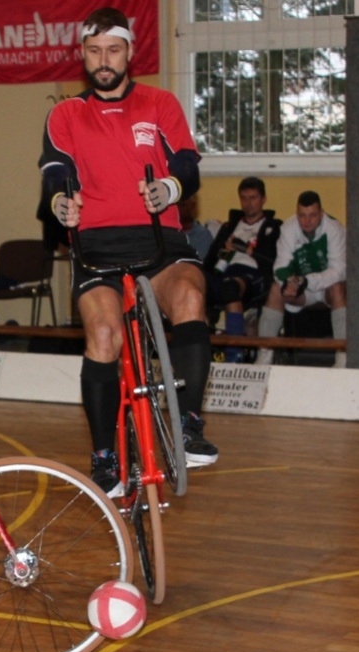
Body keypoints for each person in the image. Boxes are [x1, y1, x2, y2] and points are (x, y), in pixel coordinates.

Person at [39, 6, 218, 496]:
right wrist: (60, 204)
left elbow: (187, 166)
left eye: (112, 50)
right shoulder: (66, 114)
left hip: (160, 241)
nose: (103, 60)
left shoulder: (160, 104)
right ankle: (103, 455)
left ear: (129, 52)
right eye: (94, 51)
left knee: (191, 299)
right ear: (83, 55)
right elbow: (54, 175)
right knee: (102, 333)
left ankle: (189, 423)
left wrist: (169, 188)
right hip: (96, 245)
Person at [255, 191, 347, 368]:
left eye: (312, 215)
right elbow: (280, 266)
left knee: (337, 287)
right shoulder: (288, 228)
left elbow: (339, 271)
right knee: (276, 289)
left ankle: (342, 355)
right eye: (302, 216)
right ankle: (264, 354)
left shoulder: (335, 228)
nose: (307, 221)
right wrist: (289, 283)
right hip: (301, 289)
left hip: (327, 289)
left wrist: (306, 281)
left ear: (321, 213)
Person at [203, 176, 282, 363]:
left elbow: (273, 261)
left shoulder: (273, 227)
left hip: (252, 273)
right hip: (224, 270)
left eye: (253, 198)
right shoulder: (230, 226)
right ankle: (199, 349)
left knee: (230, 288)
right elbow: (209, 261)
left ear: (263, 199)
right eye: (244, 198)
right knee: (194, 282)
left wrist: (248, 250)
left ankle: (234, 355)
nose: (248, 203)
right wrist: (224, 251)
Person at [178, 193, 215, 262]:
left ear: (193, 207)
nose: (179, 209)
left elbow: (199, 264)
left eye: (183, 205)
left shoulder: (202, 235)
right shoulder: (168, 233)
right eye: (177, 205)